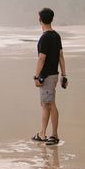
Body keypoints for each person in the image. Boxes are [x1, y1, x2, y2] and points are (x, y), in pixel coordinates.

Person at [32, 8, 68, 145]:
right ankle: (42, 133)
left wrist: (36, 77)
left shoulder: (44, 38)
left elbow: (41, 58)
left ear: (40, 20)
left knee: (50, 104)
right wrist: (64, 75)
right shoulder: (56, 36)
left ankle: (54, 135)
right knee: (45, 104)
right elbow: (61, 56)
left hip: (46, 76)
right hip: (53, 74)